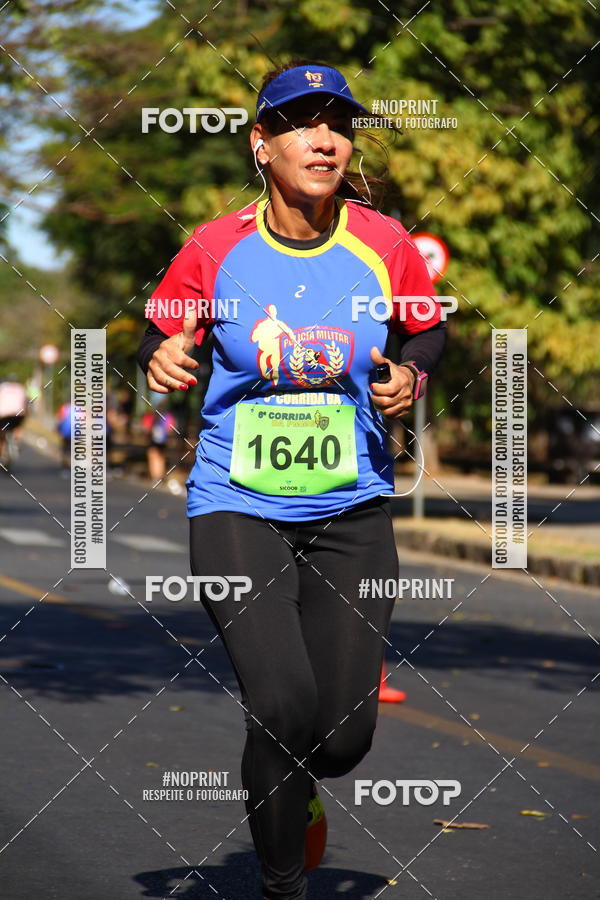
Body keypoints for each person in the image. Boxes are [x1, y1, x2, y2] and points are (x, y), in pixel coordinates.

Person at [137, 59, 447, 900]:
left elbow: (425, 330)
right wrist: (161, 355)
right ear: (261, 144)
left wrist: (410, 375)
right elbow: (163, 331)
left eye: (338, 125)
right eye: (302, 124)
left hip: (353, 507)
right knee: (279, 704)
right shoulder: (215, 246)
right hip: (236, 504)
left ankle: (301, 787)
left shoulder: (384, 242)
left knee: (341, 738)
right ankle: (281, 886)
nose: (324, 138)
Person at [0, 377, 27, 468]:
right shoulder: (21, 388)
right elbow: (25, 402)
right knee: (18, 427)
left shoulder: (3, 387)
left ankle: (2, 453)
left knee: (1, 434)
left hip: (4, 415)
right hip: (18, 415)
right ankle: (17, 442)